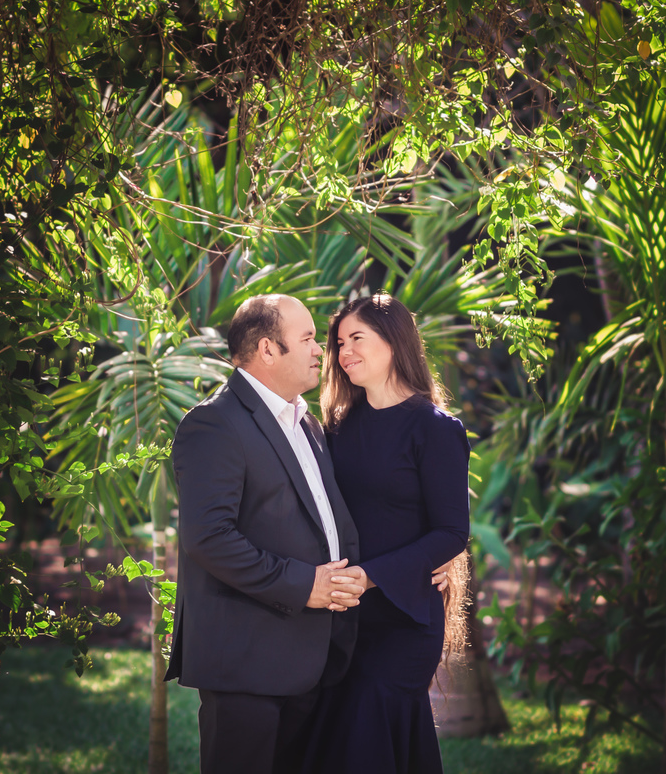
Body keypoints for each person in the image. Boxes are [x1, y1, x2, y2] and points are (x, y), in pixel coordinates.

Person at [164, 293, 366, 774]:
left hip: (310, 658)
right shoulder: (214, 424)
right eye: (309, 339)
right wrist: (306, 585)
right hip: (246, 663)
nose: (322, 350)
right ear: (268, 350)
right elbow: (208, 538)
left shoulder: (307, 423)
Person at [303, 292, 471, 774]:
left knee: (370, 722)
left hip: (405, 619)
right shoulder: (337, 427)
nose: (343, 352)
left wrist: (371, 577)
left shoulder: (434, 428)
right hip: (343, 618)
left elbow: (451, 532)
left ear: (395, 342)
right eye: (338, 343)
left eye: (357, 338)